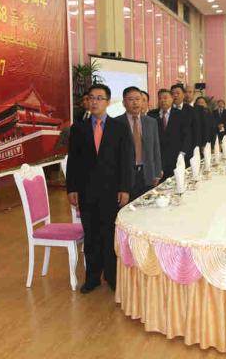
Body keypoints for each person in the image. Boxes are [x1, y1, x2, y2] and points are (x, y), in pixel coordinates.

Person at [66, 84, 134, 294]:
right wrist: (72, 188)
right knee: (91, 235)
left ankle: (112, 277)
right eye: (91, 98)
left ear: (107, 102)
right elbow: (73, 162)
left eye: (99, 98)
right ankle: (92, 278)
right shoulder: (78, 129)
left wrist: (125, 188)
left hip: (112, 191)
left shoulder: (119, 128)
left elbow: (126, 160)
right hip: (86, 191)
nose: (94, 101)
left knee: (109, 234)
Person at [116, 87, 163, 200]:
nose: (135, 102)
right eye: (131, 99)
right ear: (124, 103)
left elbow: (156, 148)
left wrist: (157, 172)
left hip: (148, 173)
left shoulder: (151, 122)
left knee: (148, 206)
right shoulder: (116, 123)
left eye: (138, 99)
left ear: (142, 102)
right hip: (126, 176)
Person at [149, 89, 191, 180]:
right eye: (160, 98)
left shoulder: (181, 114)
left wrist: (182, 153)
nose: (162, 100)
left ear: (172, 99)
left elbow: (187, 135)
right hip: (158, 159)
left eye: (165, 98)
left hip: (176, 156)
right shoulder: (151, 115)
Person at [171, 84, 202, 156]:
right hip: (171, 150)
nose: (175, 95)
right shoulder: (167, 111)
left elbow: (196, 131)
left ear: (183, 94)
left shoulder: (191, 110)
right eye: (173, 93)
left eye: (178, 93)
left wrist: (196, 148)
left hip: (188, 150)